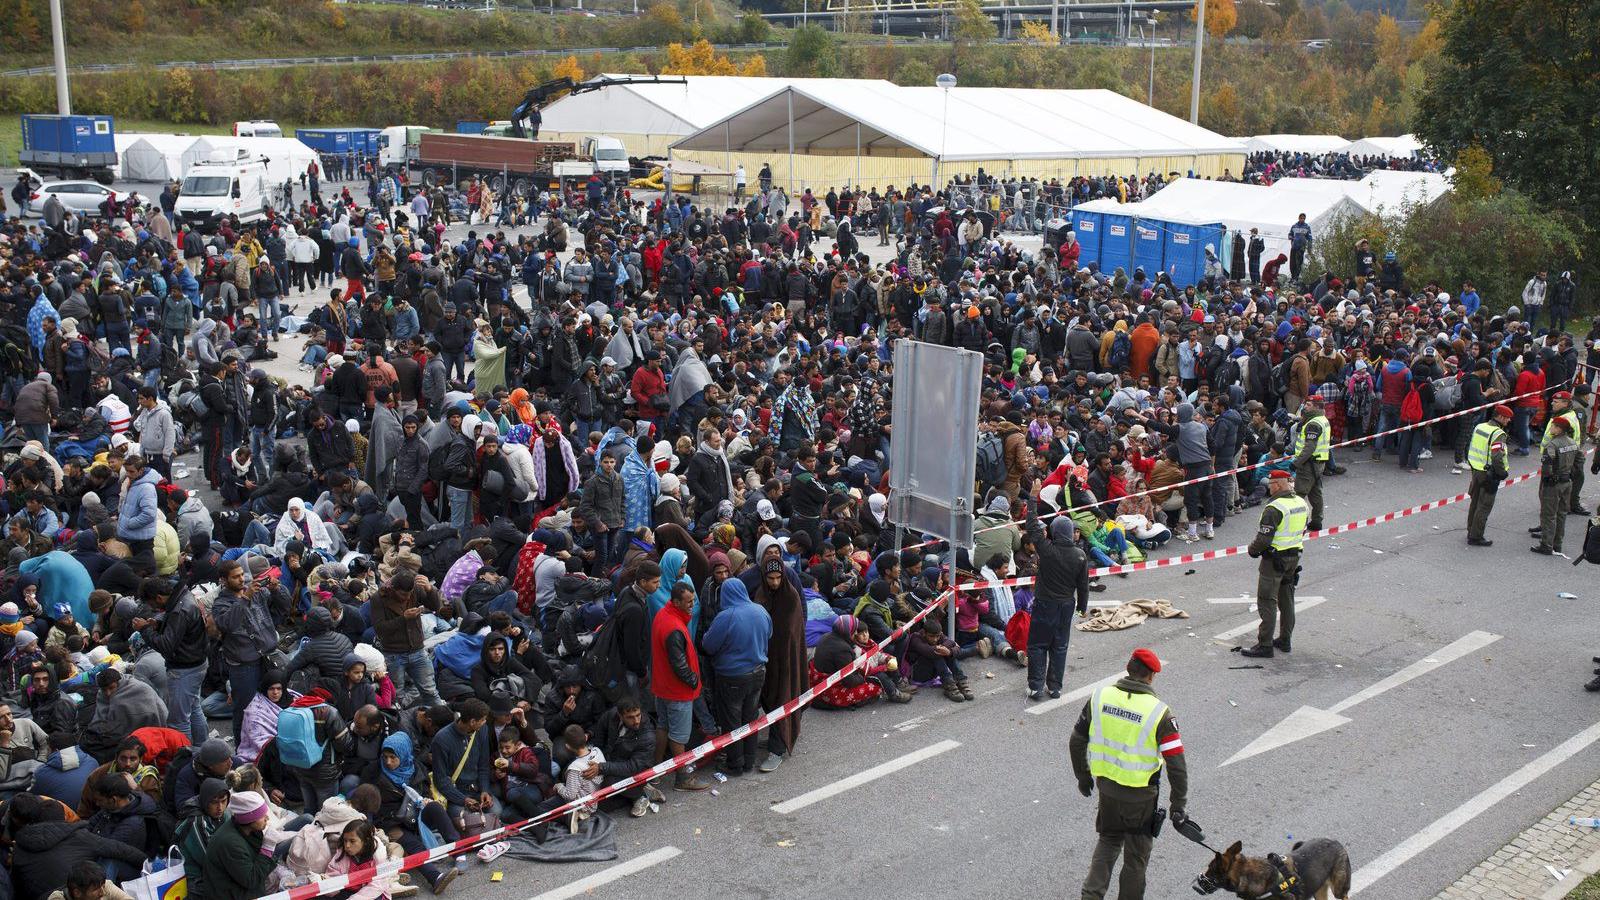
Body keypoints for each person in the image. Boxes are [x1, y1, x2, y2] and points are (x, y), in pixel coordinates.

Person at [1069, 648, 1188, 900]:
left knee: (1108, 840)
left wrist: (1083, 775)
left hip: (1107, 791)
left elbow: (1077, 740)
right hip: (1141, 799)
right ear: (1152, 677)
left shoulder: (1099, 697)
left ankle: (1090, 896)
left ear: (1128, 667)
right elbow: (1176, 765)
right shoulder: (1160, 713)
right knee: (1135, 858)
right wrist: (1178, 804)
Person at [1023, 504, 1090, 700]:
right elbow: (1083, 585)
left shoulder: (1047, 550)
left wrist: (1033, 498)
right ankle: (1055, 688)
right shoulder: (1080, 555)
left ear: (1054, 531)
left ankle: (1035, 686)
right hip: (1066, 606)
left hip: (1044, 604)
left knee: (1037, 645)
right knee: (1059, 646)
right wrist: (1082, 608)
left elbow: (1032, 526)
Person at [1240, 471, 1308, 658]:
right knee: (1287, 599)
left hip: (1274, 560)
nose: (1269, 487)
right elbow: (1304, 528)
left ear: (1277, 485)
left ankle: (1265, 644)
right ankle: (1285, 640)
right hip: (1294, 557)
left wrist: (1252, 550)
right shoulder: (1301, 503)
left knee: (1267, 600)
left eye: (1271, 484)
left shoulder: (1274, 508)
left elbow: (1263, 539)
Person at [199, 790, 276, 900]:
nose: (267, 818)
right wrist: (268, 848)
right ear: (249, 819)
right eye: (262, 815)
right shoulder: (231, 843)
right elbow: (251, 880)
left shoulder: (246, 829)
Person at [1530, 416, 1580, 555]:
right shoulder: (1572, 442)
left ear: (1558, 429)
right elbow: (1580, 460)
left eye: (1552, 426)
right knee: (1562, 514)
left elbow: (1548, 462)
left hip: (1554, 484)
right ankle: (1558, 544)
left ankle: (1546, 544)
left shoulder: (1552, 444)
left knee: (1549, 515)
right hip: (1567, 482)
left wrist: (1547, 477)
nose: (1550, 428)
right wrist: (1571, 473)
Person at [1465, 405, 1512, 547]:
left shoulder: (1480, 426)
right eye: (1508, 418)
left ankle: (1470, 530)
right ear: (1501, 417)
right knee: (1484, 505)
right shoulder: (1498, 434)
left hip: (1476, 469)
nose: (1509, 421)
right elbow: (1497, 457)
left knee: (1475, 502)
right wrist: (1502, 472)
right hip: (1489, 473)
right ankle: (1476, 536)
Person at [1291, 394, 1329, 530]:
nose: (1305, 407)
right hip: (1318, 462)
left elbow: (1309, 447)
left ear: (1317, 407)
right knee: (1315, 493)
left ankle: (1299, 523)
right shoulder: (1322, 419)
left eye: (1308, 405)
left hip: (1308, 464)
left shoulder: (1313, 423)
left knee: (1299, 494)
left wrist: (1296, 463)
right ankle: (1317, 520)